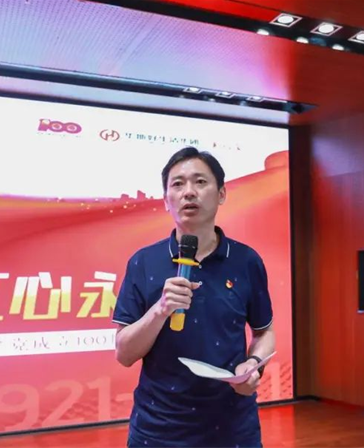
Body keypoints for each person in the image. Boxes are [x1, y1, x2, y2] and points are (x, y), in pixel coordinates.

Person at [112, 147, 276, 448]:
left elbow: (264, 331)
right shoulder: (143, 262)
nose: (189, 192)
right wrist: (160, 310)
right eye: (177, 184)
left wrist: (253, 364)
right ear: (166, 200)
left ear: (221, 194)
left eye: (200, 182)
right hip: (158, 430)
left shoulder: (246, 260)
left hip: (233, 429)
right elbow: (124, 354)